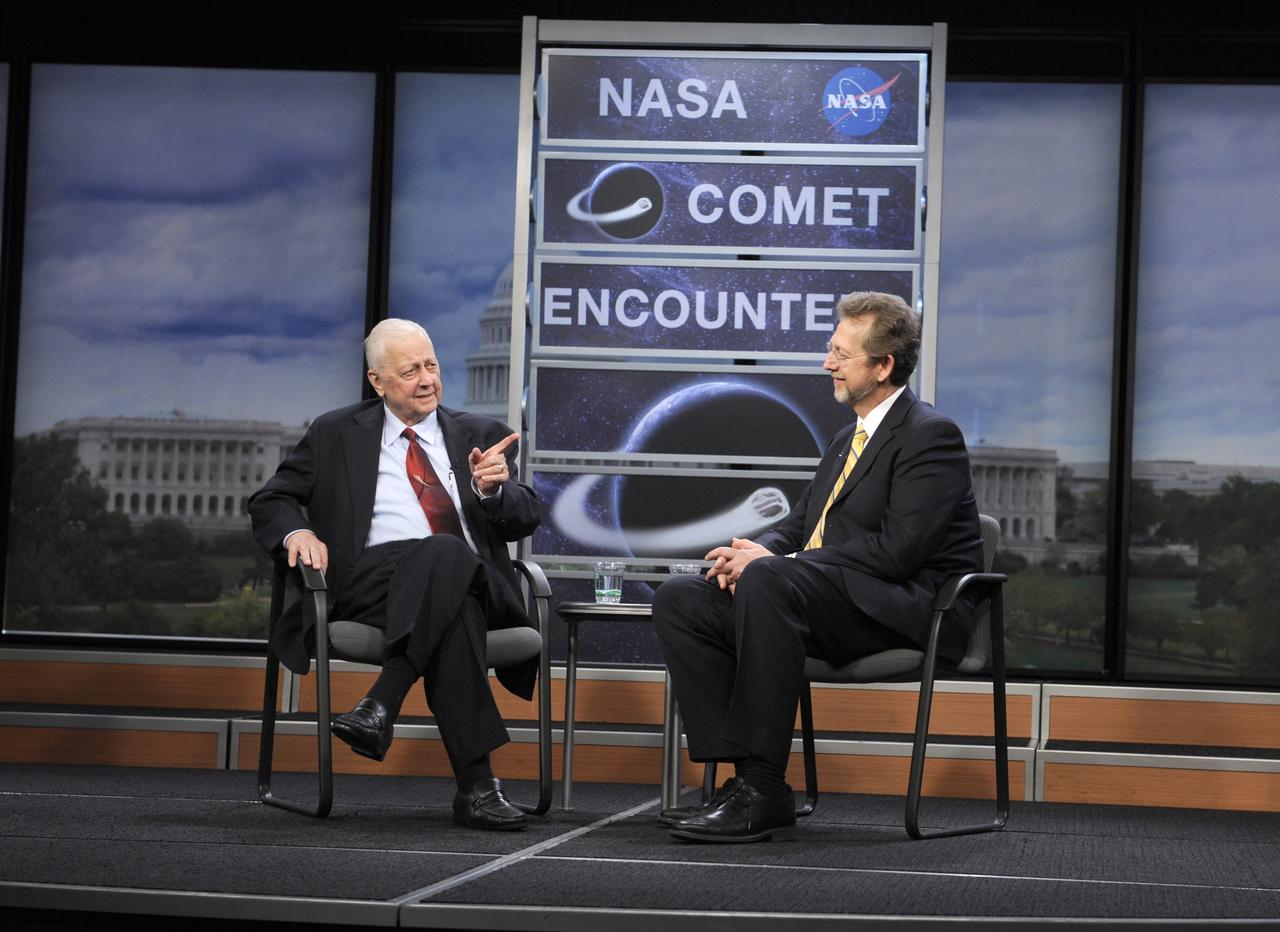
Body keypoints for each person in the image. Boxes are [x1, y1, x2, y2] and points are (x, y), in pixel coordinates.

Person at [653, 291, 983, 844]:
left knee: (769, 577)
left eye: (840, 353)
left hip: (903, 610)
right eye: (830, 349)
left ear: (883, 366)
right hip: (827, 599)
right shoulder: (845, 438)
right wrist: (751, 551)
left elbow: (899, 551)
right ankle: (745, 784)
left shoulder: (931, 437)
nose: (826, 363)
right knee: (683, 599)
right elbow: (800, 524)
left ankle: (761, 785)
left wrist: (776, 562)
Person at [248, 318, 540, 831]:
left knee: (447, 556)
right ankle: (477, 789)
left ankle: (383, 701)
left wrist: (493, 491)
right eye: (410, 371)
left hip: (477, 580)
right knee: (452, 603)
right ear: (377, 381)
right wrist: (298, 534)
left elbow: (526, 515)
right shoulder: (336, 432)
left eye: (432, 365)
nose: (427, 379)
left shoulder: (481, 435)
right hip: (372, 584)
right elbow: (273, 499)